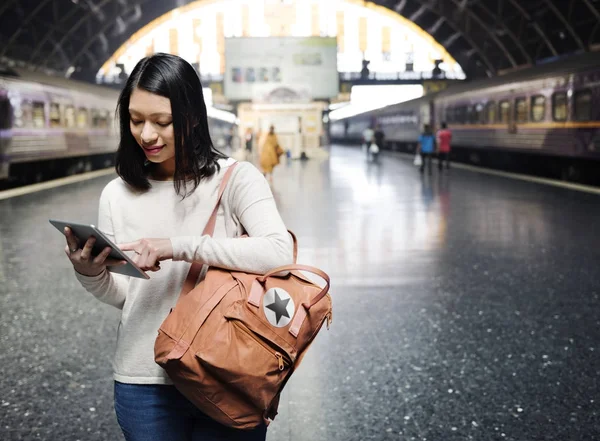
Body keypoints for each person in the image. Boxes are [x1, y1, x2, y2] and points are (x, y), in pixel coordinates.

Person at [62, 53, 293, 441]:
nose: (147, 135)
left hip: (227, 371)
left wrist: (178, 246)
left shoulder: (236, 180)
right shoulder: (116, 195)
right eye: (136, 121)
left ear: (191, 117)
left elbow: (278, 252)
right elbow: (128, 296)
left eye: (162, 122)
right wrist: (90, 273)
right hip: (143, 380)